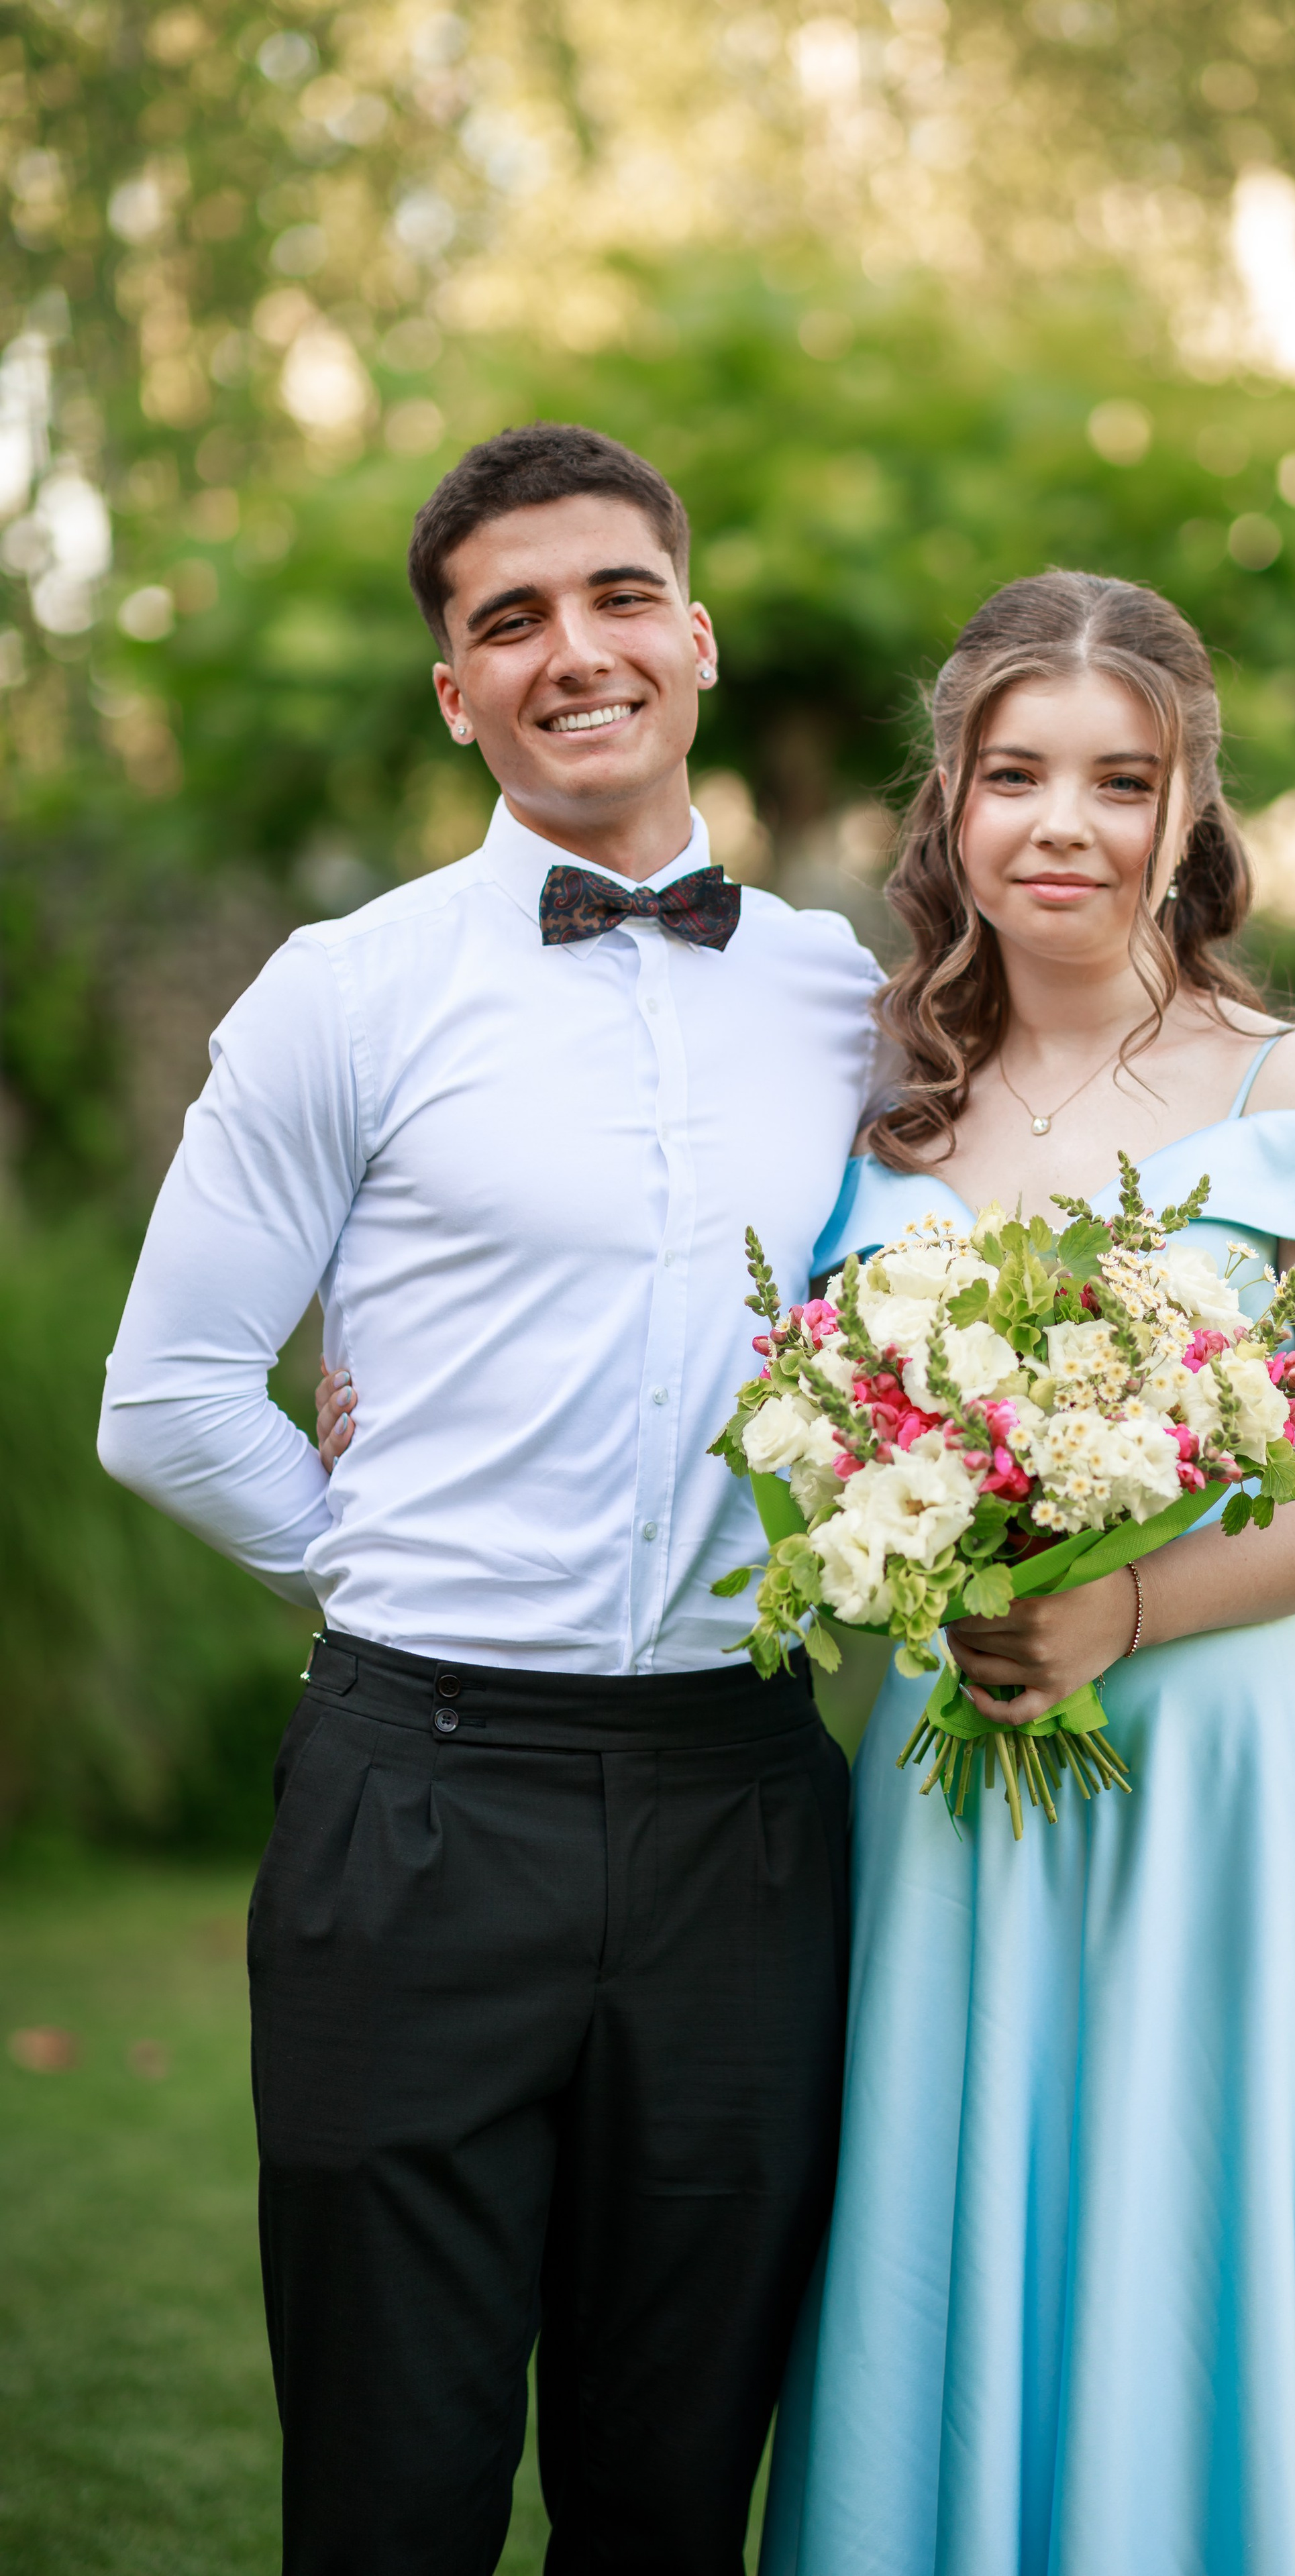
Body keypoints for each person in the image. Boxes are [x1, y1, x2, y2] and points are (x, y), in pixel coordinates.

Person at [97, 423, 881, 2576]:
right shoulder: (347, 993)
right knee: (394, 2491)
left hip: (745, 1805)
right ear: (458, 692)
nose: (575, 652)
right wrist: (399, 1558)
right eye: (508, 621)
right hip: (418, 1804)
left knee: (671, 2491)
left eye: (618, 596)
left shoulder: (856, 999)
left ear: (693, 635)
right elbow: (166, 1398)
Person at [758, 572, 1295, 2576]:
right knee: (952, 2217)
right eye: (1014, 774)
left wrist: (1133, 1602)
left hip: (1228, 1780)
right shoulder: (875, 1111)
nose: (1059, 823)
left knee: (1201, 2231)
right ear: (950, 801)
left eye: (1116, 778)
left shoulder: (1294, 1087)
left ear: (1190, 814)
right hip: (947, 1772)